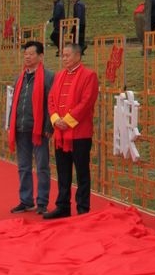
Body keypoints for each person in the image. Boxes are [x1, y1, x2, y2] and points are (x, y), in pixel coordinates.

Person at [44, 42, 99, 219]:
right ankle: (62, 206)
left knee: (82, 171)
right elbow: (51, 99)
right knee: (63, 171)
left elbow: (86, 102)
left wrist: (66, 121)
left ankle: (83, 207)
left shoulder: (89, 75)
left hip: (80, 133)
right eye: (63, 55)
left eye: (67, 55)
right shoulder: (59, 76)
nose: (64, 58)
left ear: (77, 56)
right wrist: (55, 120)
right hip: (60, 133)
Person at [8, 40, 54, 215]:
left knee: (42, 166)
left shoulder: (49, 77)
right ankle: (25, 200)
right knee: (23, 166)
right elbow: (15, 104)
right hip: (21, 128)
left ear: (40, 56)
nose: (27, 57)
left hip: (39, 130)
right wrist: (10, 124)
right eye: (25, 54)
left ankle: (42, 201)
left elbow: (52, 104)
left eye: (31, 54)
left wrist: (49, 126)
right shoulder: (19, 78)